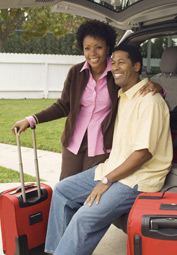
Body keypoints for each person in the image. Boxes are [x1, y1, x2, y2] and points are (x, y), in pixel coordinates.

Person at [33, 45, 172, 255]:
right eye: (113, 62)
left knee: (83, 218)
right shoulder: (123, 95)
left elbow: (143, 153)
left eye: (121, 62)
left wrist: (106, 181)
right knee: (62, 191)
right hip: (115, 167)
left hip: (138, 179)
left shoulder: (150, 101)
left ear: (137, 66)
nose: (115, 67)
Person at [12, 20, 163, 180]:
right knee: (65, 186)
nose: (93, 53)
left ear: (108, 48)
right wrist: (31, 120)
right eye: (87, 48)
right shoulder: (75, 72)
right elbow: (63, 106)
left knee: (89, 189)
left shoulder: (117, 71)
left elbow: (136, 86)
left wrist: (159, 88)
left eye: (98, 47)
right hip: (73, 142)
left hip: (102, 145)